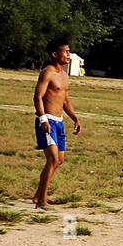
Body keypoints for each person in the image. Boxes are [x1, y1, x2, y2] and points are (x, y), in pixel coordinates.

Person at [32, 41, 82, 210]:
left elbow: (65, 100)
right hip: (48, 121)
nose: (68, 55)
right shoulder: (48, 72)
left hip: (59, 122)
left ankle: (38, 195)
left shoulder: (65, 76)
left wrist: (75, 118)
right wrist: (43, 119)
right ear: (55, 54)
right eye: (65, 52)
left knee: (59, 160)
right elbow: (38, 97)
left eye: (69, 52)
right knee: (52, 159)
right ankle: (41, 201)